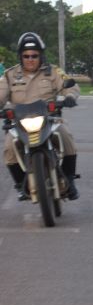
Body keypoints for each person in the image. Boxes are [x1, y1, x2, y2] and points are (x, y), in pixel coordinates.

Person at [0, 32, 80, 200]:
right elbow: (1, 94)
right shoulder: (9, 75)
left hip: (50, 119)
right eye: (26, 56)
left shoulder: (54, 72)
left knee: (66, 137)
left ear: (40, 55)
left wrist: (70, 97)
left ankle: (70, 180)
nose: (30, 59)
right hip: (19, 122)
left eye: (34, 55)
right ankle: (21, 185)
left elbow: (70, 85)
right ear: (20, 56)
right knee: (8, 148)